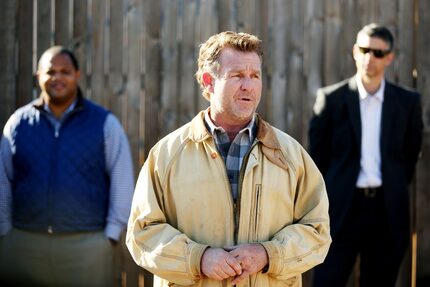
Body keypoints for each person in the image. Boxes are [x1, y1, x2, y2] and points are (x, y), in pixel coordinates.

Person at [126, 31, 331, 287]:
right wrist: (198, 259)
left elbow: (318, 232)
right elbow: (142, 233)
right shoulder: (166, 155)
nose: (249, 85)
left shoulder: (290, 155)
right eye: (237, 76)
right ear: (208, 82)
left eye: (254, 76)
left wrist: (267, 254)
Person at [0, 46, 135, 287]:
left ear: (77, 75)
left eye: (65, 71)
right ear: (38, 76)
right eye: (50, 71)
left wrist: (111, 236)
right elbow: (3, 180)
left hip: (86, 247)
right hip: (24, 244)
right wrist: (6, 232)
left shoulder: (104, 123)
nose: (58, 77)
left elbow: (122, 179)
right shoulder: (18, 123)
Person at [309, 23, 423, 287]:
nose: (369, 58)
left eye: (378, 53)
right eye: (364, 50)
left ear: (390, 58)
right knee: (327, 281)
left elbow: (409, 154)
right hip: (341, 211)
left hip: (386, 211)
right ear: (354, 51)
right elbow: (318, 158)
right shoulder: (330, 99)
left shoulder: (407, 103)